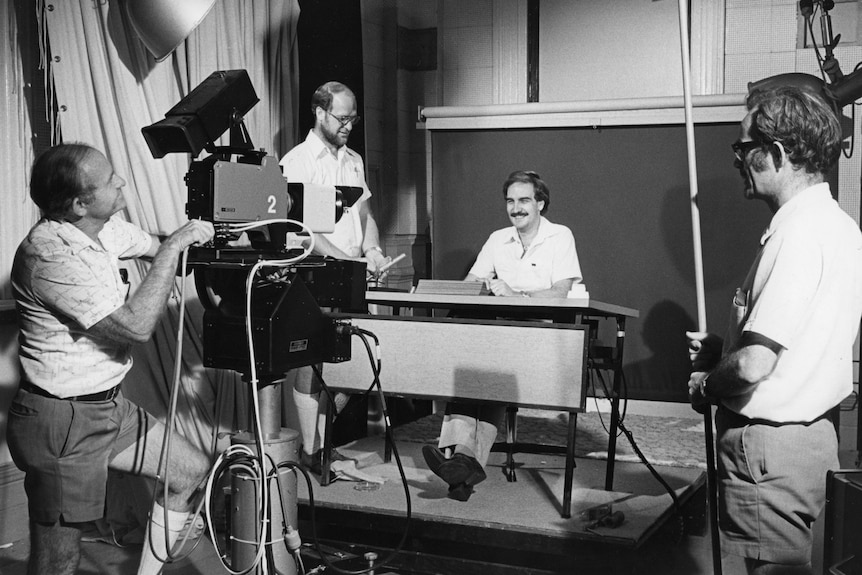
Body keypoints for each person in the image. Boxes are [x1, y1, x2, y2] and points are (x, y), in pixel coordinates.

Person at [7, 143, 216, 575]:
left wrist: (222, 238)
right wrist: (175, 247)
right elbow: (136, 326)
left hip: (107, 408)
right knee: (59, 560)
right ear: (80, 203)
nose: (121, 182)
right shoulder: (48, 255)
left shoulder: (103, 229)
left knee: (188, 471)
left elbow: (161, 250)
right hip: (62, 421)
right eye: (109, 181)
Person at [687, 85, 862, 575]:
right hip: (809, 440)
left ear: (778, 153)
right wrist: (726, 349)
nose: (739, 160)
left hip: (769, 452)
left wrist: (708, 384)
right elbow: (797, 346)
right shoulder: (841, 227)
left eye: (745, 149)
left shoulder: (797, 233)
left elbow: (754, 365)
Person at [422, 170, 583, 501]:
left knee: (490, 368)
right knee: (475, 368)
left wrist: (515, 294)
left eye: (524, 200)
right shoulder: (498, 239)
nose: (516, 208)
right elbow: (470, 285)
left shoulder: (559, 236)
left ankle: (460, 464)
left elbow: (561, 292)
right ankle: (463, 467)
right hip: (500, 335)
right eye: (510, 201)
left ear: (541, 203)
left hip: (540, 336)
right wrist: (474, 288)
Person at [279, 81, 391, 477]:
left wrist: (372, 250)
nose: (348, 125)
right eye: (342, 118)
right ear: (319, 112)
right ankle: (312, 452)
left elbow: (365, 215)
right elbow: (297, 229)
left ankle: (320, 446)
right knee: (313, 364)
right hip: (317, 273)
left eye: (353, 118)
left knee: (355, 365)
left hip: (351, 273)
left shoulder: (354, 159)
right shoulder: (298, 161)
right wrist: (346, 261)